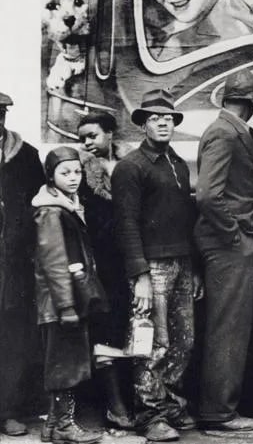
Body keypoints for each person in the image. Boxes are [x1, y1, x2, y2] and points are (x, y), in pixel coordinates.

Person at [111, 89, 200, 443]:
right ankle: (149, 414)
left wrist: (192, 268)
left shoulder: (176, 163)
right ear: (143, 125)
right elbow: (126, 225)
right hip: (152, 268)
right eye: (155, 118)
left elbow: (184, 219)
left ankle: (171, 405)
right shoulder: (131, 167)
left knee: (183, 341)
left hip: (180, 262)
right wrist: (141, 277)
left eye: (169, 118)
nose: (163, 122)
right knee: (153, 342)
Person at [193, 70, 253, 431]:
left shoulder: (232, 129)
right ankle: (219, 410)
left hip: (231, 241)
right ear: (252, 101)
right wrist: (234, 235)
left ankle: (220, 407)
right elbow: (207, 194)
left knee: (230, 325)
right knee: (228, 327)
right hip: (228, 245)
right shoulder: (225, 132)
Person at [32, 146, 104, 444]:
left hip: (66, 300)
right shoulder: (51, 211)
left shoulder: (67, 206)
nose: (74, 177)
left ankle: (52, 426)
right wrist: (66, 306)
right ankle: (64, 426)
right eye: (65, 172)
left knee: (64, 360)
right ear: (51, 177)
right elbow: (55, 262)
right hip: (61, 303)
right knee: (66, 363)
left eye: (78, 171)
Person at [75, 112, 134, 430]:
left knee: (134, 330)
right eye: (82, 137)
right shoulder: (79, 175)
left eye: (93, 135)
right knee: (106, 330)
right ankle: (115, 405)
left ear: (110, 134)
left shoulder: (130, 167)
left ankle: (135, 400)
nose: (86, 142)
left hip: (132, 263)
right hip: (102, 265)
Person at [0, 92, 46, 437]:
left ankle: (9, 410)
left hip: (14, 266)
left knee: (14, 337)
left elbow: (38, 210)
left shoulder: (26, 156)